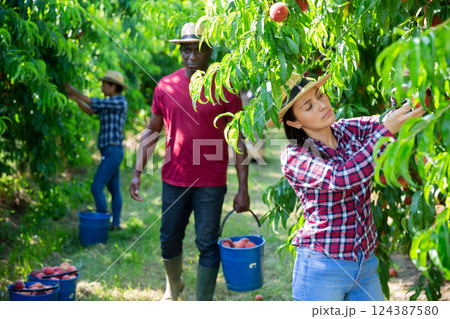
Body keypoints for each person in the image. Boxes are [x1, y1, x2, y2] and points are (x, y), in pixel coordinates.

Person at [266, 72, 426, 301]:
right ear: (294, 122)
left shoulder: (347, 130)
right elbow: (340, 178)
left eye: (321, 95)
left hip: (365, 265)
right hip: (322, 267)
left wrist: (401, 89)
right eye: (309, 106)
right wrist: (386, 131)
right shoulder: (295, 156)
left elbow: (386, 120)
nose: (322, 105)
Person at [129, 22, 250, 301]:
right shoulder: (166, 86)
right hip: (174, 178)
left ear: (209, 52)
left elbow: (239, 139)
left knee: (207, 244)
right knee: (168, 238)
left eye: (198, 50)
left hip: (210, 181)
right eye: (186, 50)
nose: (191, 56)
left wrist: (243, 188)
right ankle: (174, 286)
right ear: (180, 52)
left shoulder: (225, 87)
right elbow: (152, 131)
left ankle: (202, 303)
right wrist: (137, 171)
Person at [64, 70, 128, 231]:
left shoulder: (119, 102)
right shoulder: (108, 102)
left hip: (113, 151)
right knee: (114, 188)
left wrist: (73, 90)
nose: (102, 87)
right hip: (110, 151)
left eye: (104, 85)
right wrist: (76, 99)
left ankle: (101, 223)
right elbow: (91, 110)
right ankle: (115, 224)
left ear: (113, 87)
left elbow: (93, 103)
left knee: (96, 187)